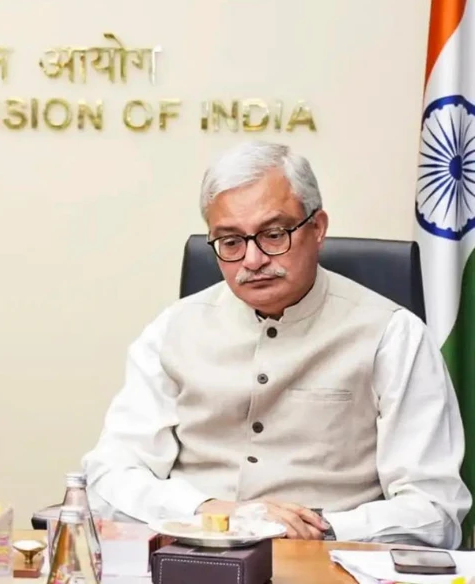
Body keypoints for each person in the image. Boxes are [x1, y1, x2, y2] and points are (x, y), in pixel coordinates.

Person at [81, 141, 471, 548]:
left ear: (317, 228)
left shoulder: (393, 335)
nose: (252, 260)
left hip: (328, 561)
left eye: (273, 234)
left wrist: (319, 528)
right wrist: (209, 512)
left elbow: (435, 511)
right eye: (230, 241)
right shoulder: (171, 330)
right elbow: (108, 478)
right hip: (192, 555)